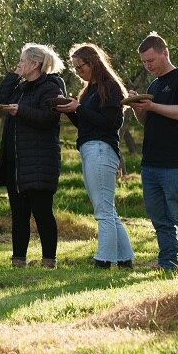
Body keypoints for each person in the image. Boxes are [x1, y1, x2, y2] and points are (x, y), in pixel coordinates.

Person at [56, 43, 135, 269]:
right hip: (91, 147)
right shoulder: (90, 89)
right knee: (107, 208)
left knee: (103, 210)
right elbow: (86, 123)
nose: (78, 72)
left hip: (102, 148)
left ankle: (104, 260)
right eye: (75, 69)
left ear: (93, 63)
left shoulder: (110, 88)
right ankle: (124, 258)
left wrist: (79, 109)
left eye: (80, 67)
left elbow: (109, 123)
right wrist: (71, 110)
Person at [129, 32, 178, 271]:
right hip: (151, 163)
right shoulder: (154, 85)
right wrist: (138, 107)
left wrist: (152, 106)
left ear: (165, 53)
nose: (147, 66)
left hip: (175, 163)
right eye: (144, 62)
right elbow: (147, 121)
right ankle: (167, 263)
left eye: (151, 60)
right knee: (160, 220)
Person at [0, 43, 66, 269]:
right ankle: (18, 260)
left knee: (42, 212)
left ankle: (49, 260)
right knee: (19, 213)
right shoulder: (20, 88)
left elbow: (49, 118)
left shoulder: (51, 87)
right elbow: (1, 100)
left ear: (34, 64)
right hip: (17, 161)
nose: (19, 65)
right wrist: (14, 75)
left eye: (22, 61)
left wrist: (20, 111)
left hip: (40, 160)